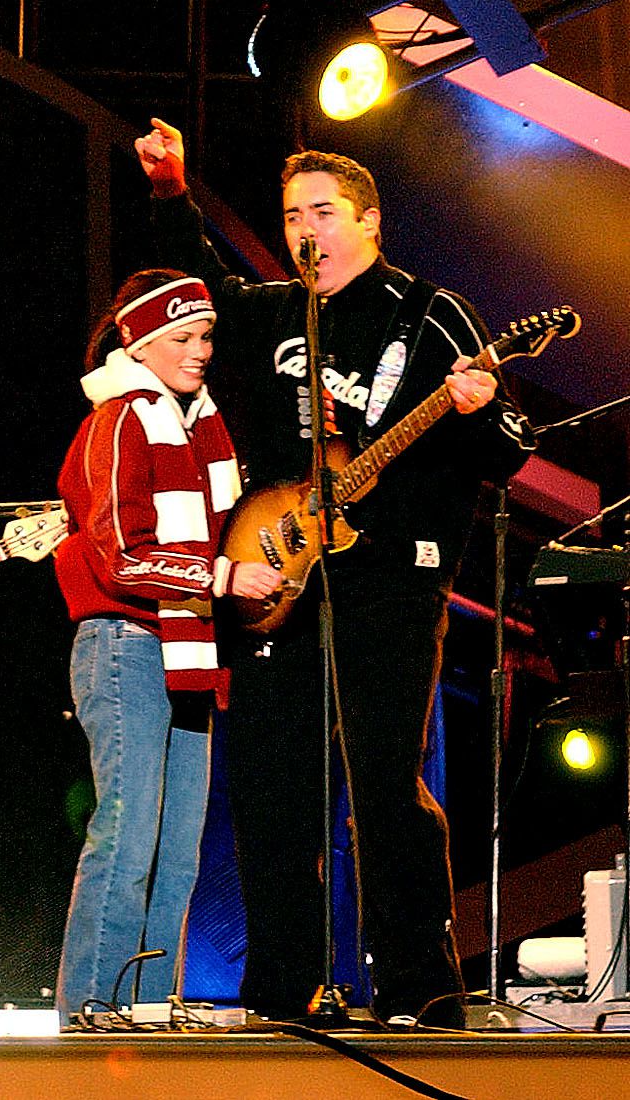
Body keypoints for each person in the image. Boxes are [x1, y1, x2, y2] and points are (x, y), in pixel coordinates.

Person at [136, 120, 533, 1027]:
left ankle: (421, 984)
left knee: (386, 783)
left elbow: (510, 451)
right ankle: (282, 986)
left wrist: (472, 411)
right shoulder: (276, 311)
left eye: (323, 211)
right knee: (274, 789)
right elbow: (197, 276)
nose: (304, 229)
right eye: (290, 215)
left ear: (369, 220)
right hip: (280, 577)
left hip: (390, 582)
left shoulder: (430, 315)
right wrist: (170, 189)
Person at [51, 270, 283, 1023]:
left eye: (206, 336)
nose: (201, 350)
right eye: (182, 338)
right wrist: (223, 574)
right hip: (125, 644)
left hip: (187, 647)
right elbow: (119, 551)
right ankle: (94, 1001)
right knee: (127, 829)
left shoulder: (199, 426)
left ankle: (146, 1005)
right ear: (139, 342)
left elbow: (228, 524)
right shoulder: (119, 421)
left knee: (177, 843)